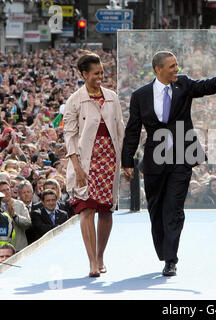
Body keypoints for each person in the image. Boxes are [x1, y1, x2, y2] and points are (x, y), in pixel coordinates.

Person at [122, 46, 216, 277]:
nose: (177, 69)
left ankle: (171, 259)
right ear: (158, 69)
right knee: (156, 209)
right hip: (155, 159)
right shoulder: (140, 96)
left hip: (182, 158)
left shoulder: (183, 84)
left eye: (177, 65)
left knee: (174, 208)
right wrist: (127, 161)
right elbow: (133, 130)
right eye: (172, 66)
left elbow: (209, 85)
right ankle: (164, 251)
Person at [63, 51, 125, 277]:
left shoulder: (112, 97)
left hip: (109, 158)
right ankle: (91, 262)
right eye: (96, 73)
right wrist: (77, 166)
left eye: (102, 72)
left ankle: (100, 257)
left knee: (106, 210)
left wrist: (125, 159)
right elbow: (69, 135)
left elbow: (120, 128)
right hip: (85, 160)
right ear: (84, 74)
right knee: (86, 208)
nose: (100, 77)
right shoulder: (74, 100)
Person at [0, 181, 31, 251]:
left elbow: (28, 223)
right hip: (3, 250)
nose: (7, 192)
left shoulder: (20, 204)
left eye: (8, 189)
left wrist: (15, 216)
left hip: (19, 248)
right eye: (3, 190)